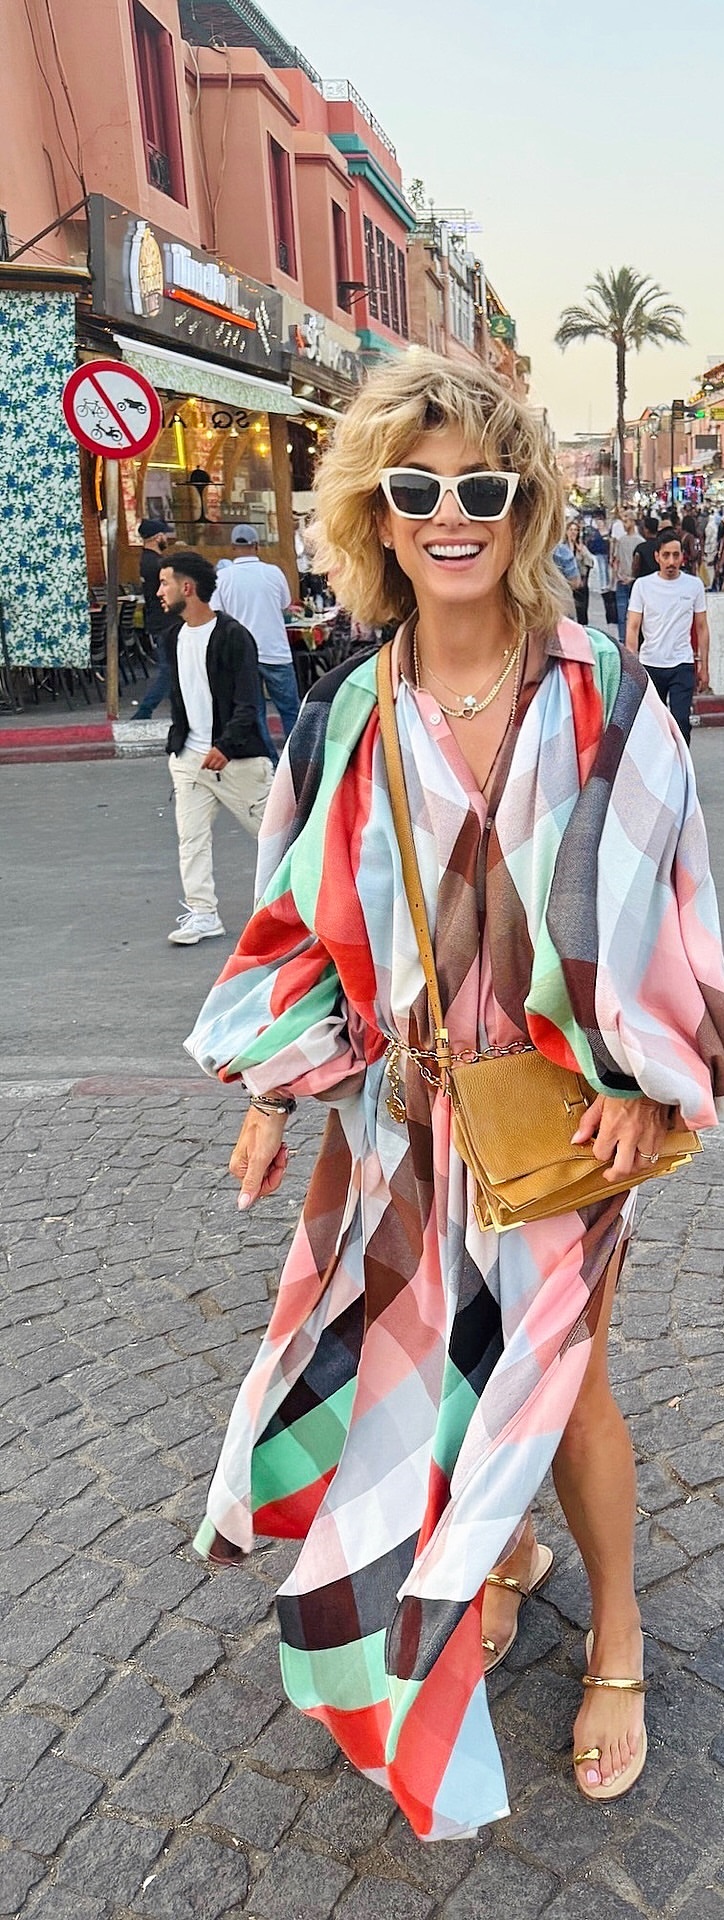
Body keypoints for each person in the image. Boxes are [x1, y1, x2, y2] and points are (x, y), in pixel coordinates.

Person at [187, 353, 724, 1838]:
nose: (450, 515)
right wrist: (271, 1100)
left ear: (524, 505)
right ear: (377, 513)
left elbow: (673, 901)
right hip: (400, 1126)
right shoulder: (349, 710)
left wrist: (645, 1086)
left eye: (481, 487)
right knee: (421, 1372)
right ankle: (500, 1557)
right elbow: (294, 917)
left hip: (561, 1117)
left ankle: (617, 1637)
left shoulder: (603, 692)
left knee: (564, 1380)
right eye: (415, 489)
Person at [160, 550, 273, 946]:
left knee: (277, 838)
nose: (159, 591)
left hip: (237, 761)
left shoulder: (233, 636)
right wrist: (179, 747)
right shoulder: (171, 638)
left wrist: (226, 745)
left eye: (165, 583)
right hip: (189, 760)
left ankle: (305, 909)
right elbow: (182, 696)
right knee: (191, 840)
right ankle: (203, 914)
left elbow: (249, 702)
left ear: (187, 588)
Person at [211, 524, 300, 766]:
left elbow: (217, 613)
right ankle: (297, 758)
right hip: (275, 650)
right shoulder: (273, 573)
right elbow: (285, 604)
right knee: (290, 709)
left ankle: (271, 760)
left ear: (233, 548)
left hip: (243, 655)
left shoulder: (223, 578)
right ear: (257, 546)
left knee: (255, 712)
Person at [626, 527, 710, 743]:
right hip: (650, 664)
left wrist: (704, 667)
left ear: (682, 557)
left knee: (681, 722)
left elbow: (702, 627)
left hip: (682, 664)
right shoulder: (642, 586)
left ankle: (681, 764)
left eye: (675, 555)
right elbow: (633, 626)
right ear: (657, 557)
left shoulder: (694, 586)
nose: (671, 561)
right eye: (666, 555)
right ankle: (659, 765)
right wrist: (632, 664)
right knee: (654, 726)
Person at [132, 520, 177, 721]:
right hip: (166, 622)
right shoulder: (157, 565)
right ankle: (145, 709)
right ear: (157, 537)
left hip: (160, 621)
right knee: (169, 670)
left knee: (175, 669)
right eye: (164, 535)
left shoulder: (147, 561)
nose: (166, 538)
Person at [611, 507, 642, 644]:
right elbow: (617, 559)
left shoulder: (639, 541)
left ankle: (632, 641)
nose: (624, 524)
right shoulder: (622, 540)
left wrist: (633, 577)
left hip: (633, 581)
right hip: (622, 579)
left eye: (627, 521)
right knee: (621, 614)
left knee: (635, 614)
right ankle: (623, 641)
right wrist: (617, 575)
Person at [568, 518, 595, 624]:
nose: (573, 532)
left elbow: (591, 562)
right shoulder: (563, 548)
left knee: (581, 611)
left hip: (581, 583)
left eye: (575, 530)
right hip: (567, 584)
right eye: (571, 530)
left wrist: (582, 552)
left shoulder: (581, 547)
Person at [631, 512, 659, 579]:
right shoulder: (662, 545)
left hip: (644, 579)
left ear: (646, 530)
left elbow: (636, 566)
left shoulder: (640, 548)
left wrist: (634, 576)